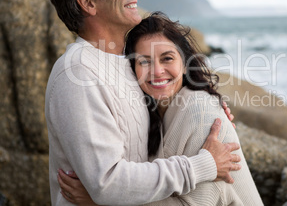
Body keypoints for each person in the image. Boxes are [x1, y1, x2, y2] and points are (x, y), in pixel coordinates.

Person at [45, 0, 241, 205]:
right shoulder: (78, 73)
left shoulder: (124, 63)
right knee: (220, 190)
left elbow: (155, 119)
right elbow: (108, 184)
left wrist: (210, 109)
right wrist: (201, 166)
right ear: (89, 3)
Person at [59, 12, 264, 205]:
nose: (157, 71)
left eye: (167, 58)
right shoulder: (150, 111)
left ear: (185, 64)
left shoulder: (199, 113)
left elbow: (200, 201)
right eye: (144, 61)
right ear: (132, 71)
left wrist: (99, 202)